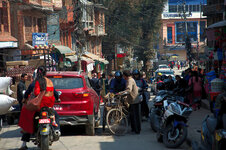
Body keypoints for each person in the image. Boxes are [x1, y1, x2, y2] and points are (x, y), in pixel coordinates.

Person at [18, 66, 57, 150]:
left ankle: (24, 143)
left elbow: (28, 92)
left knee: (28, 120)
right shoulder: (50, 81)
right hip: (48, 106)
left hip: (37, 106)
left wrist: (25, 99)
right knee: (56, 115)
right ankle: (57, 130)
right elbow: (55, 92)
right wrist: (57, 98)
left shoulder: (35, 82)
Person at [119, 70, 141, 134]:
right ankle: (134, 129)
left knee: (135, 116)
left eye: (123, 76)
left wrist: (121, 93)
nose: (123, 77)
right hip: (132, 100)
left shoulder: (130, 80)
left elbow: (129, 90)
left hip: (134, 100)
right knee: (132, 116)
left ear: (125, 76)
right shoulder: (129, 80)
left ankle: (137, 130)